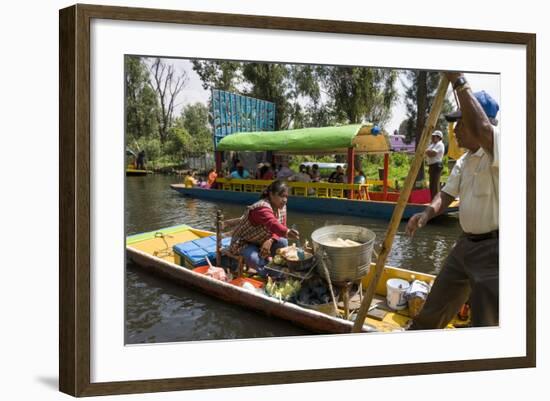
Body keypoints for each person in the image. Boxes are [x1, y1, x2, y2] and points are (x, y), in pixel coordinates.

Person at [406, 72, 500, 329]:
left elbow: (484, 130)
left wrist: (457, 80)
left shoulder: (501, 147)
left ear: (483, 122)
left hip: (495, 251)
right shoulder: (464, 160)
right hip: (465, 245)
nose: (455, 130)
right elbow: (446, 194)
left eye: (461, 123)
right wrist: (426, 214)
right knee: (435, 305)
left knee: (486, 322)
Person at [228, 180, 300, 277]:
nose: (285, 200)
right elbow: (273, 223)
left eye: (286, 196)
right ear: (271, 194)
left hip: (261, 240)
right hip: (243, 242)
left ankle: (273, 264)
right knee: (256, 259)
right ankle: (269, 275)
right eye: (281, 196)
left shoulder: (282, 206)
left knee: (283, 242)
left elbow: (282, 224)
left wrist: (270, 241)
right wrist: (287, 231)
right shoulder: (261, 207)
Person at [425, 130, 445, 200]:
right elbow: (428, 152)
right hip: (432, 166)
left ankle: (436, 201)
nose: (432, 138)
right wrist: (427, 151)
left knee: (435, 185)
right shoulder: (433, 145)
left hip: (436, 166)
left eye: (434, 136)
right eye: (432, 136)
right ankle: (433, 200)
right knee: (432, 185)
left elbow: (432, 153)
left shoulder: (440, 144)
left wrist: (427, 151)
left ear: (439, 137)